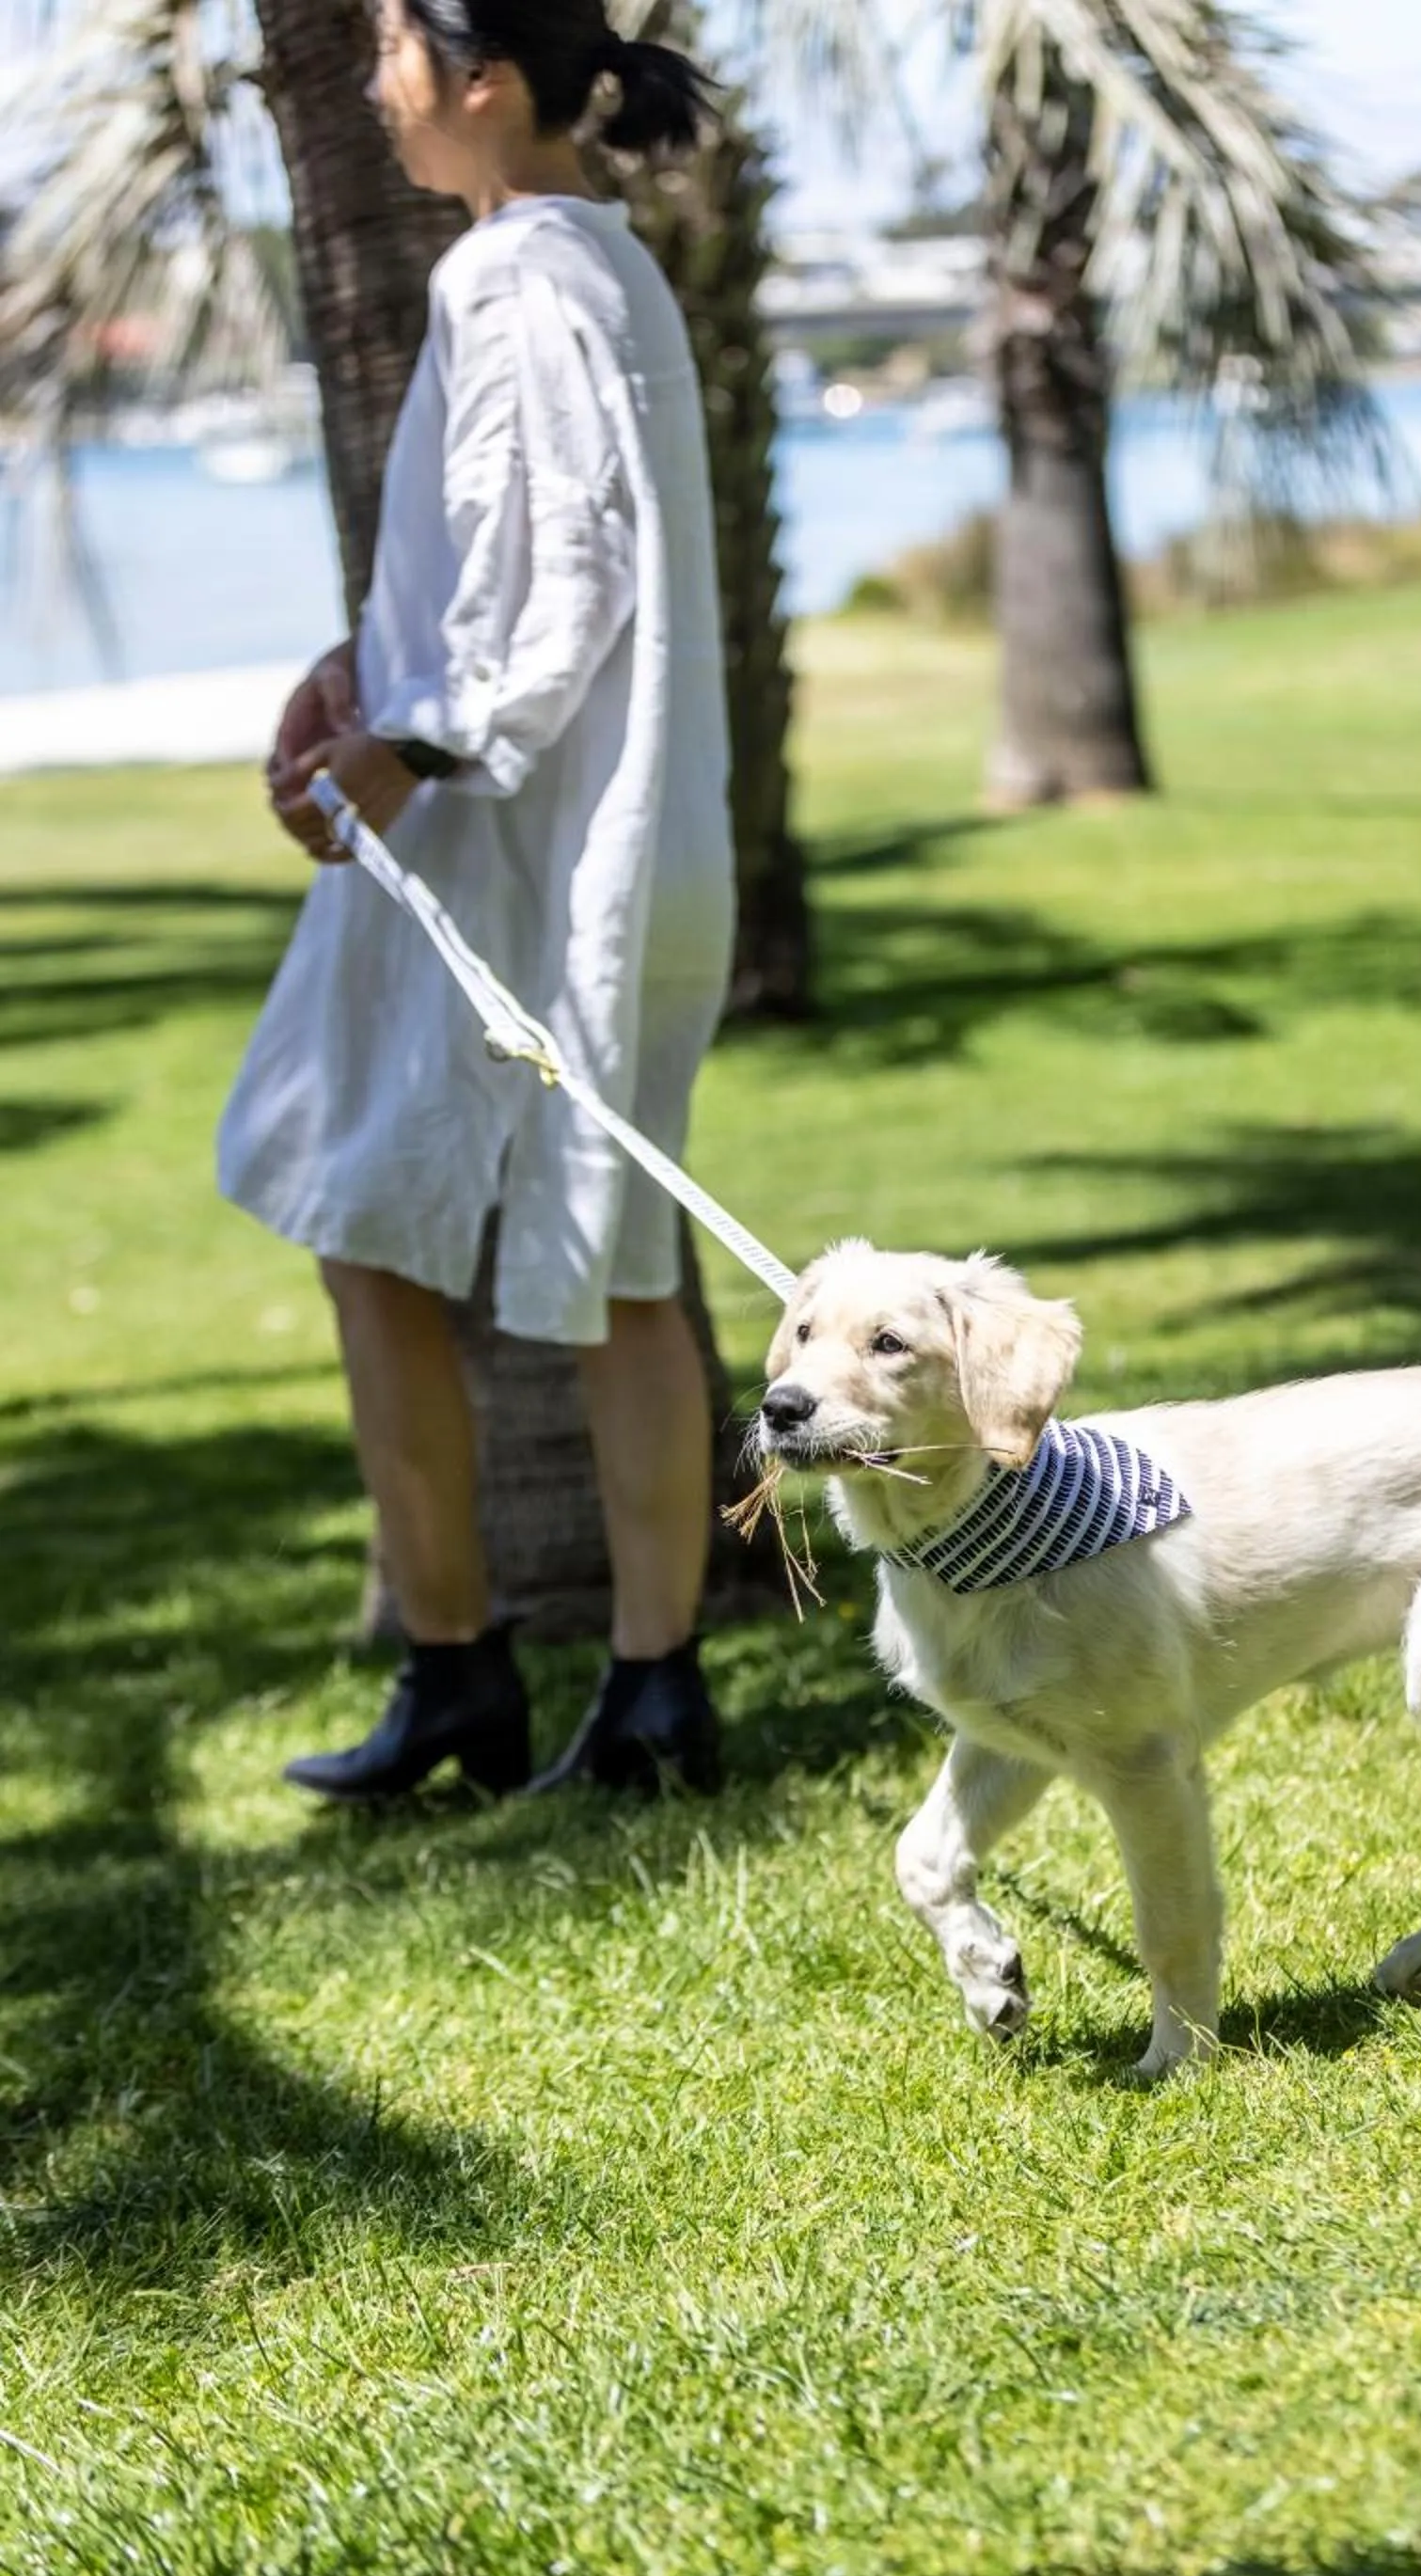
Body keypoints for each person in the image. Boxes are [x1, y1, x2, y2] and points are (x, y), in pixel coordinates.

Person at [219, 0, 734, 1804]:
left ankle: (461, 1670)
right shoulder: (598, 266)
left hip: (512, 841)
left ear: (477, 76)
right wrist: (357, 675)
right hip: (597, 834)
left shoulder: (516, 272)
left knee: (372, 1215)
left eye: (387, 51)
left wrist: (412, 745)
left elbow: (560, 566)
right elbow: (515, 553)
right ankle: (651, 1693)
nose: (369, 85)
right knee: (615, 1261)